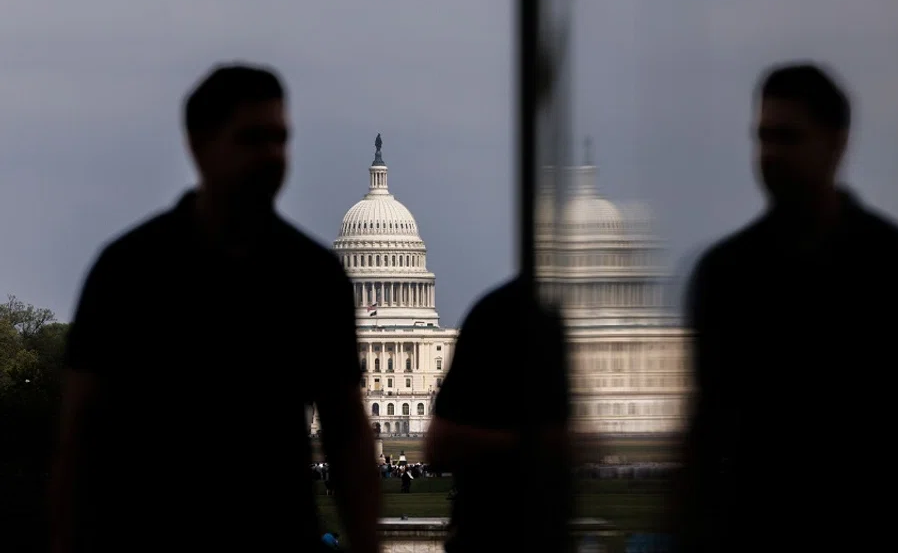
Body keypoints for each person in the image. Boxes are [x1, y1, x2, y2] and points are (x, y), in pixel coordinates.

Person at [50, 64, 380, 553]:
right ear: (198, 145)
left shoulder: (313, 275)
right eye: (251, 138)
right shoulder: (128, 271)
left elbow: (347, 432)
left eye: (280, 139)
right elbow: (80, 434)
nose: (272, 155)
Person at [674, 62, 898, 552]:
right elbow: (708, 436)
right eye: (763, 138)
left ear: (837, 143)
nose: (770, 155)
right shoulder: (726, 276)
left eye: (787, 137)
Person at [426, 278, 572, 553]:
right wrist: (534, 444)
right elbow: (439, 444)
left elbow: (438, 444)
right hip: (494, 529)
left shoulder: (495, 311)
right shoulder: (500, 313)